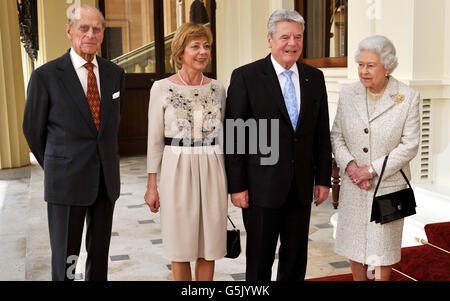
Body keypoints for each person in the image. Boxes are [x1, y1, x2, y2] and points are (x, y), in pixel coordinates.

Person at [224, 9, 332, 281]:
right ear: (270, 40)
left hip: (301, 186)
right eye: (285, 37)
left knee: (296, 258)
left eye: (297, 37)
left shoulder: (314, 78)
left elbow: (320, 133)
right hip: (261, 188)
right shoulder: (246, 77)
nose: (292, 43)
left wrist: (323, 179)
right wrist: (237, 186)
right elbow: (235, 136)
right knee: (259, 259)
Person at [22, 5, 125, 281]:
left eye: (97, 29)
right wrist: (59, 165)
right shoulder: (45, 77)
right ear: (69, 31)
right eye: (84, 28)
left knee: (99, 254)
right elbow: (32, 130)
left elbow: (110, 126)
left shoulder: (115, 74)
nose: (90, 34)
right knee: (67, 257)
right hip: (65, 183)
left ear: (103, 34)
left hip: (105, 181)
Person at [330, 35, 420, 281]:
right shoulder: (349, 94)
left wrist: (370, 170)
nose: (363, 71)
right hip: (353, 185)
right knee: (354, 246)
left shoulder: (407, 97)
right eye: (360, 64)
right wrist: (351, 167)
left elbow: (410, 144)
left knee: (382, 251)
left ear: (387, 66)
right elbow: (336, 135)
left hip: (388, 186)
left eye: (370, 65)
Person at [145, 22, 227, 281]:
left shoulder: (218, 88)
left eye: (206, 46)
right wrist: (152, 185)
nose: (203, 52)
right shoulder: (161, 88)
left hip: (212, 168)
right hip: (176, 168)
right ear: (180, 53)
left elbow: (226, 137)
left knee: (209, 244)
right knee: (180, 246)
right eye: (195, 47)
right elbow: (154, 140)